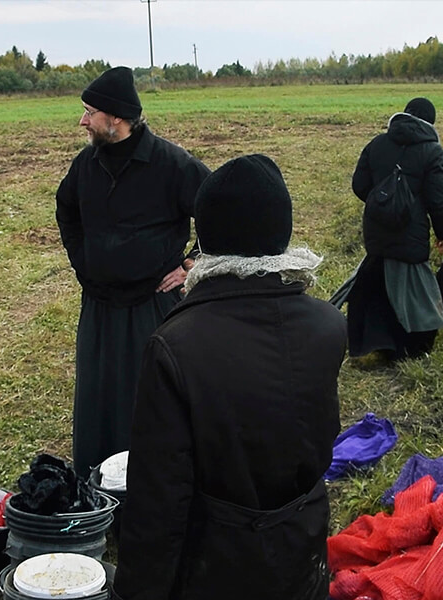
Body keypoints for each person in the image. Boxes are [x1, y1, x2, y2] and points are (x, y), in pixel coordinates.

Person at [113, 155, 347, 600]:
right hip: (304, 546)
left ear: (208, 238)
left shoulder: (175, 346)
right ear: (282, 231)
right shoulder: (329, 324)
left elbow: (159, 500)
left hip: (216, 566)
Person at [55, 66, 210, 477]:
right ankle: (97, 480)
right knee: (98, 397)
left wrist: (191, 263)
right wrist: (82, 260)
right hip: (100, 305)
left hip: (152, 304)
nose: (82, 121)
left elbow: (218, 210)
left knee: (151, 397)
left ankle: (153, 481)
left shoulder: (171, 163)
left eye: (90, 112)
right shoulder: (85, 165)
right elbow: (66, 211)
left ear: (117, 119)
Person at [345, 97, 443, 360]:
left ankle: (378, 343)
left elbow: (359, 185)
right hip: (411, 233)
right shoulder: (432, 151)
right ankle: (412, 347)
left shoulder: (377, 144)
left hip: (376, 227)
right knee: (416, 290)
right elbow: (438, 200)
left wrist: (383, 202)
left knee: (379, 280)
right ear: (430, 123)